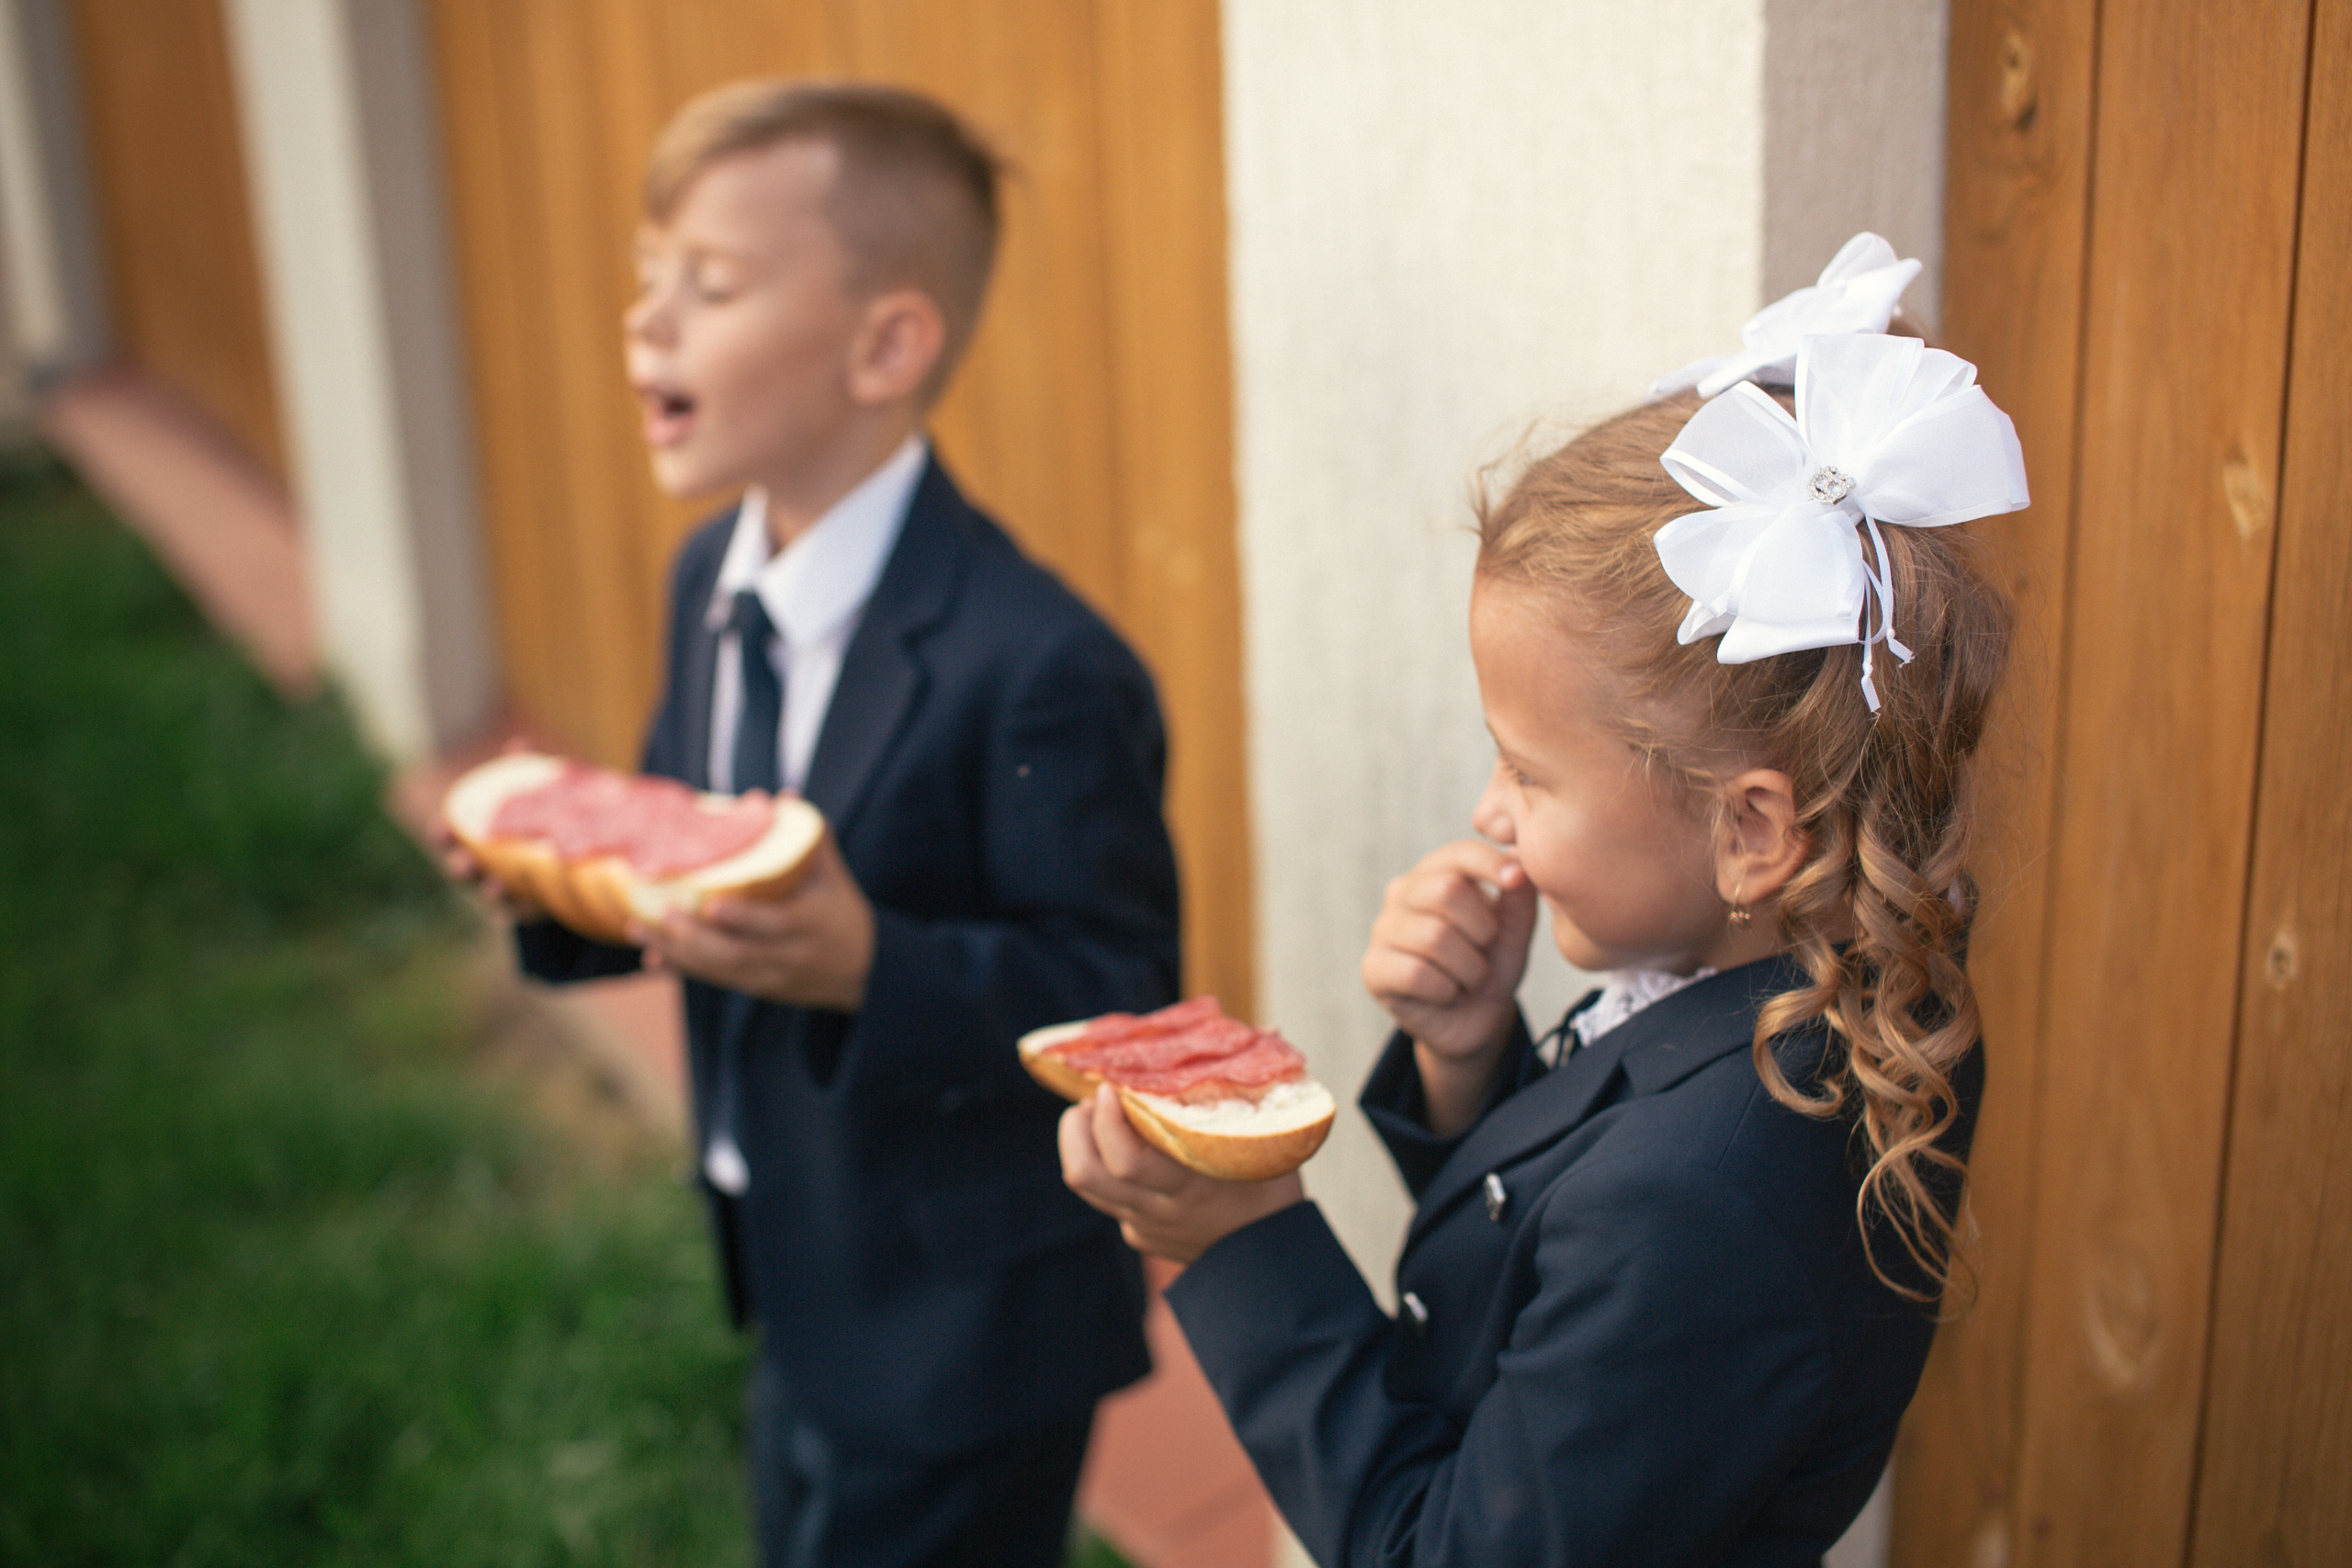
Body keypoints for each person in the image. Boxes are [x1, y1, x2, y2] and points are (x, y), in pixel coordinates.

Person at [1060, 284, 2030, 1562]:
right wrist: (1470, 1062)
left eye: (1529, 772)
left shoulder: (1708, 1200)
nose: (1488, 811)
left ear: (1752, 831)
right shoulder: (1792, 982)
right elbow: (1566, 1257)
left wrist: (1238, 1248)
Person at [448, 80, 1179, 1568]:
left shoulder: (1037, 666)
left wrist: (871, 964)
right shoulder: (707, 579)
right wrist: (557, 881)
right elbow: (679, 839)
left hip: (965, 1324)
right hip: (800, 1250)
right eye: (647, 280)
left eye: (707, 287)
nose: (646, 321)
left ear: (886, 344)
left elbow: (1117, 1001)